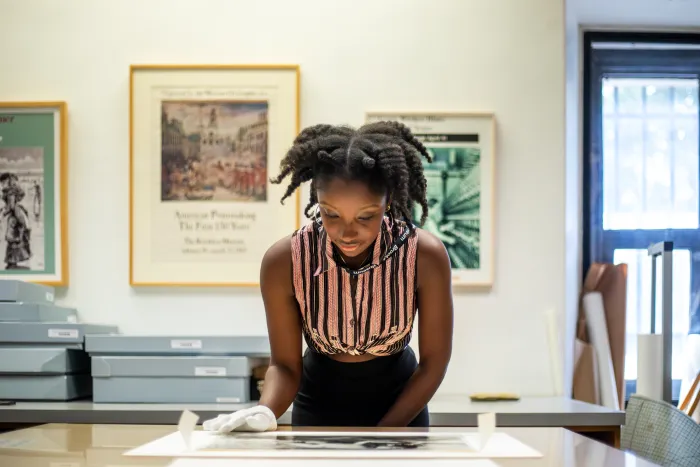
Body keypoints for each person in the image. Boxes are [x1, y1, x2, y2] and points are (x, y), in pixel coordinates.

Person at [203, 121, 454, 433]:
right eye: (331, 214)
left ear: (387, 202)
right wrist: (266, 412)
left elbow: (434, 363)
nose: (347, 233)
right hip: (317, 403)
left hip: (401, 404)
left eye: (366, 216)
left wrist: (383, 434)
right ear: (316, 201)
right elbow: (284, 365)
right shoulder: (284, 261)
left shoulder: (423, 256)